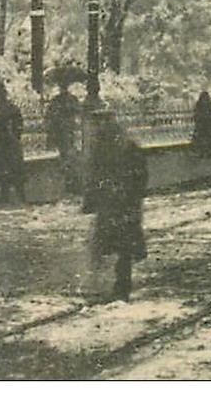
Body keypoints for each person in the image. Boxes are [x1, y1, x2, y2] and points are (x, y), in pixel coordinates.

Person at [82, 108, 147, 301]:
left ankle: (121, 285)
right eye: (96, 122)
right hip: (111, 203)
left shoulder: (126, 145)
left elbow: (140, 174)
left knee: (122, 245)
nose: (98, 126)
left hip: (122, 202)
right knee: (106, 243)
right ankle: (105, 283)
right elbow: (92, 174)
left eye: (102, 121)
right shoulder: (99, 145)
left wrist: (132, 195)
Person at [0, 79, 27, 203]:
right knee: (8, 169)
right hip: (4, 143)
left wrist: (12, 136)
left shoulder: (7, 110)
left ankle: (19, 196)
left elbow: (16, 126)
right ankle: (7, 196)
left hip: (7, 143)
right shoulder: (8, 108)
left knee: (11, 169)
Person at [46, 81, 83, 197]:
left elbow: (49, 115)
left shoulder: (60, 100)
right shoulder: (66, 99)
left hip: (65, 131)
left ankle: (70, 182)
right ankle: (70, 182)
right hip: (64, 131)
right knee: (67, 155)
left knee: (67, 155)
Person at [191, 90, 211, 157]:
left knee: (208, 138)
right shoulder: (200, 106)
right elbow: (196, 116)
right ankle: (204, 151)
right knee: (203, 138)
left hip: (209, 125)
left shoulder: (209, 105)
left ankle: (209, 151)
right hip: (203, 126)